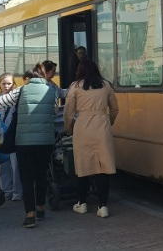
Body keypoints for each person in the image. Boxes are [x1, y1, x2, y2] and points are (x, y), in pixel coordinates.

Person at [0, 64, 56, 228]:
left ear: (28, 79)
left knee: (26, 178)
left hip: (24, 142)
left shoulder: (21, 90)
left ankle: (30, 215)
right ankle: (41, 208)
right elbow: (54, 110)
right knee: (41, 174)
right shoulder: (51, 90)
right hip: (45, 141)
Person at [64, 59, 119, 219]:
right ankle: (103, 206)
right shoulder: (106, 85)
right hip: (102, 126)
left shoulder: (75, 86)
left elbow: (68, 111)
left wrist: (68, 127)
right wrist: (109, 121)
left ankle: (82, 203)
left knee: (83, 166)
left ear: (80, 71)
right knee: (103, 166)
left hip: (83, 126)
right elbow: (115, 108)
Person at [0, 73, 23, 202]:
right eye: (4, 83)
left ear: (13, 84)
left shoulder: (16, 98)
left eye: (9, 83)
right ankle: (7, 190)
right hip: (0, 135)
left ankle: (17, 191)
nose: (6, 86)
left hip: (14, 134)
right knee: (3, 165)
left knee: (15, 165)